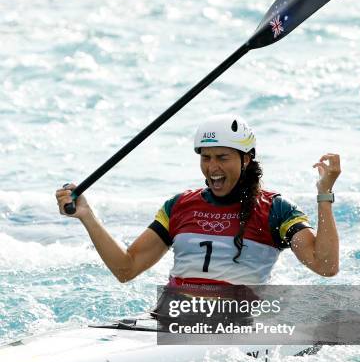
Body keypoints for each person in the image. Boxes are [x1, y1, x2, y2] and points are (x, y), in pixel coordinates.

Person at [55, 116, 340, 298]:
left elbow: (326, 266)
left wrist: (324, 194)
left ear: (247, 159)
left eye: (222, 157)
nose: (212, 168)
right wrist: (87, 217)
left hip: (236, 325)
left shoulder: (276, 210)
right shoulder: (179, 206)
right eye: (206, 158)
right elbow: (126, 269)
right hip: (172, 318)